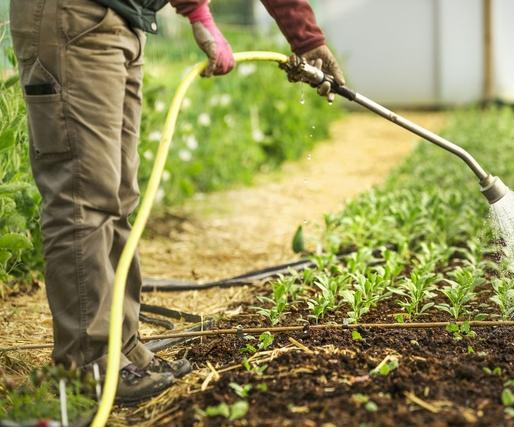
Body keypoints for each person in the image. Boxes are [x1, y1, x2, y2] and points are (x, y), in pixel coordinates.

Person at [9, 0, 344, 404]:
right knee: (85, 197)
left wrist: (299, 37)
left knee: (116, 196)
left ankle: (123, 347)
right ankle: (90, 364)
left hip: (120, 18)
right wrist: (207, 15)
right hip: (75, 15)